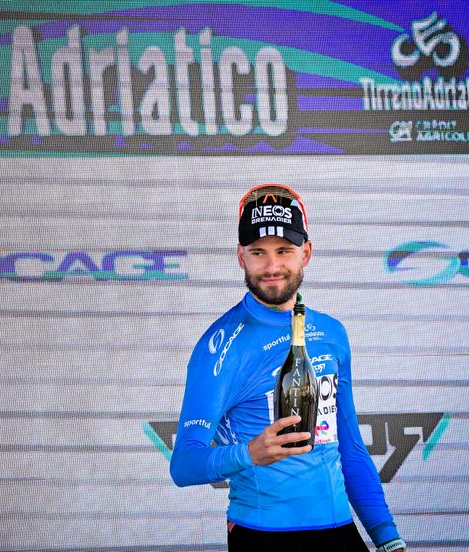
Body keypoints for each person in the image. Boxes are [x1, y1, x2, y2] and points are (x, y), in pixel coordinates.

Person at [169, 184, 406, 552]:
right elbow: (184, 464)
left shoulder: (331, 333)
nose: (272, 266)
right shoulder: (219, 347)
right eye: (258, 252)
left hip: (339, 528)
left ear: (306, 253)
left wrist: (387, 536)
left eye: (284, 251)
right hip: (261, 534)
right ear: (240, 256)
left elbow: (350, 447)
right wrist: (248, 454)